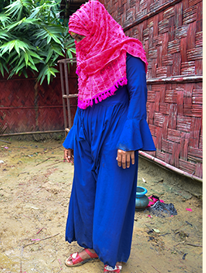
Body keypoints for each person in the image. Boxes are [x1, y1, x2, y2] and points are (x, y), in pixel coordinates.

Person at [62, 1, 156, 272]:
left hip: (117, 133)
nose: (78, 42)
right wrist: (71, 139)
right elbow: (83, 102)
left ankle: (111, 256)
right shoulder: (87, 60)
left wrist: (128, 141)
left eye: (81, 36)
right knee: (85, 190)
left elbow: (138, 99)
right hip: (86, 135)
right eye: (75, 38)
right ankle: (91, 246)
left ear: (96, 28)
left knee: (112, 193)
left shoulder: (129, 52)